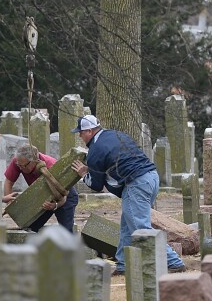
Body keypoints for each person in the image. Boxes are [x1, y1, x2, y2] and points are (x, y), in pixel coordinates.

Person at [69, 114, 186, 276]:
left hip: (136, 183)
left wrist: (84, 173)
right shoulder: (116, 134)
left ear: (89, 131)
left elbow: (96, 185)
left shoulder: (95, 150)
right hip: (151, 177)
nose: (80, 136)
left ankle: (174, 261)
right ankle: (123, 264)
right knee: (127, 225)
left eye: (80, 132)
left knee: (140, 227)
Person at [2, 144, 78, 232]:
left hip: (65, 194)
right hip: (42, 195)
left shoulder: (51, 166)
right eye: (19, 166)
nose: (21, 168)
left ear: (34, 161)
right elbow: (9, 182)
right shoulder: (19, 161)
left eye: (23, 166)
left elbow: (64, 195)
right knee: (31, 227)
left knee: (66, 230)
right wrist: (9, 203)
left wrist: (55, 205)